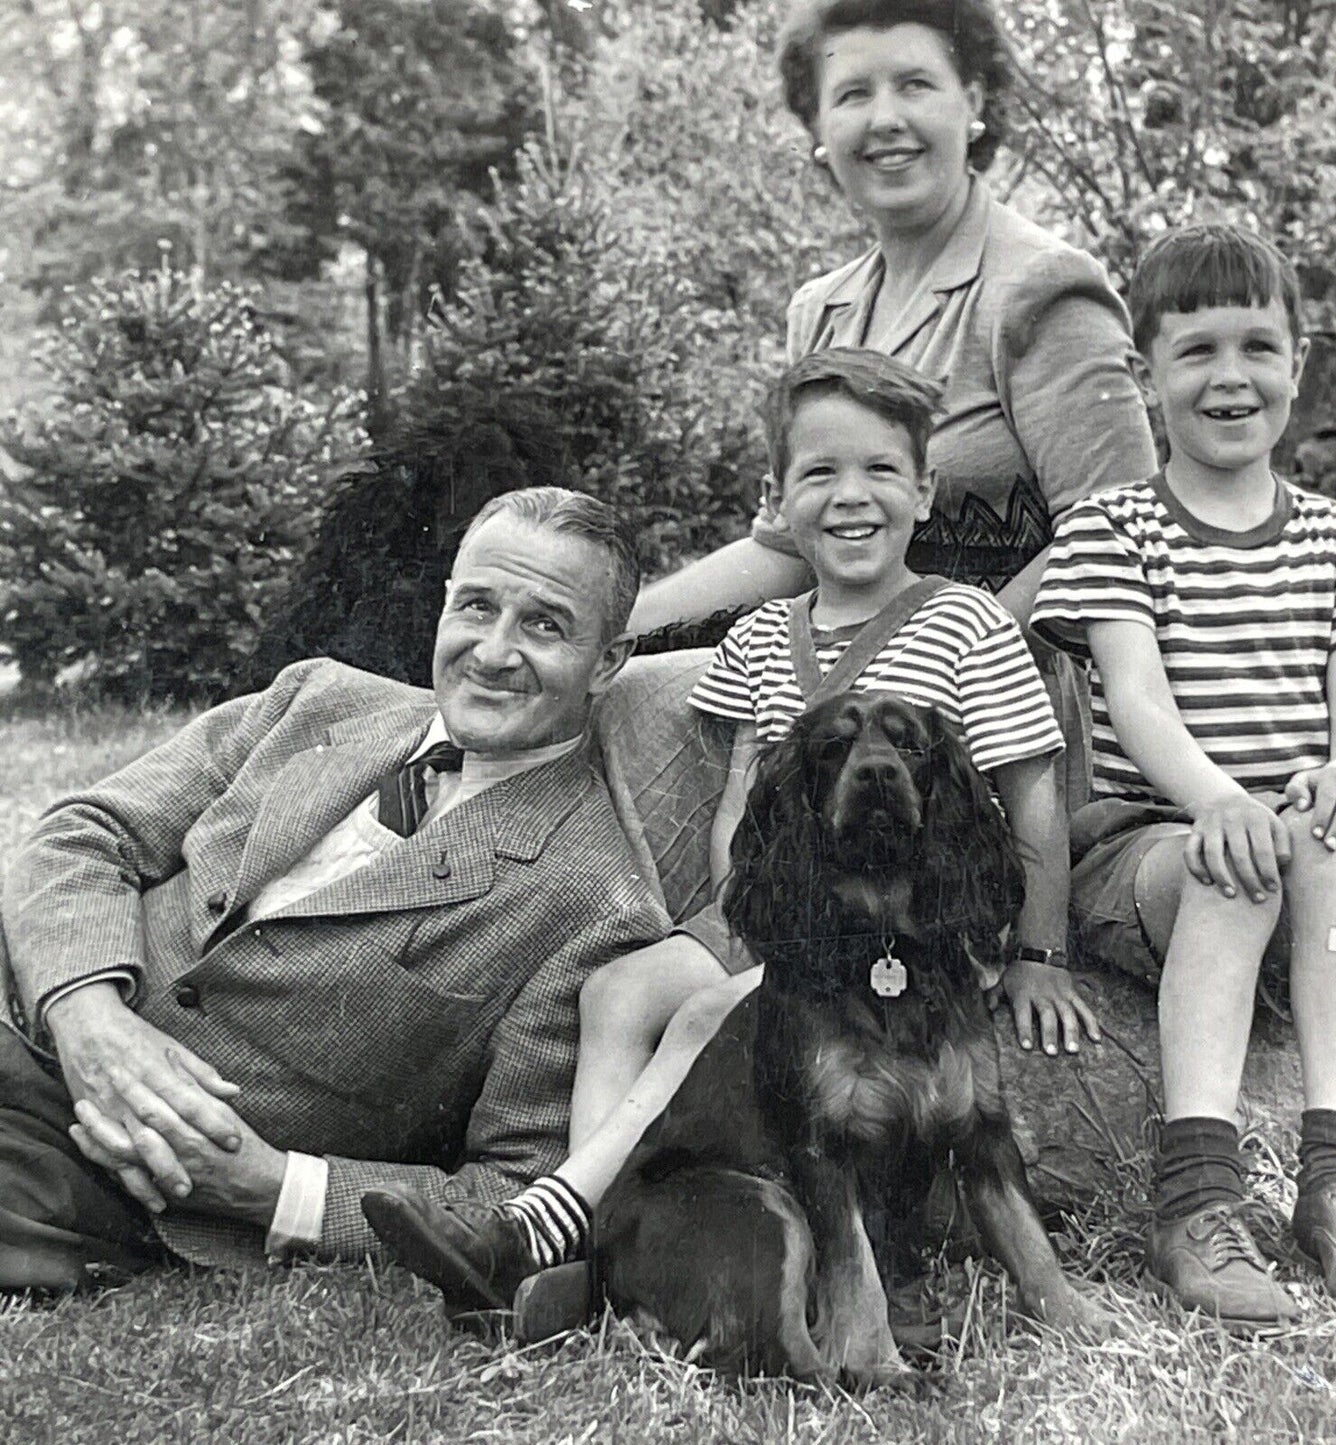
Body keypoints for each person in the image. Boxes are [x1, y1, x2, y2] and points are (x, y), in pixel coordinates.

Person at [364, 348, 1100, 1323]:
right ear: (773, 498)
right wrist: (746, 926)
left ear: (923, 490)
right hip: (774, 916)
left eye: (880, 471)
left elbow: (1030, 796)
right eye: (818, 474)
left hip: (902, 933)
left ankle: (548, 1224)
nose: (850, 497)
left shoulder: (966, 622)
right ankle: (587, 1249)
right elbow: (741, 796)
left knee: (714, 1018)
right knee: (620, 988)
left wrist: (1039, 951)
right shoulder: (759, 635)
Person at [0, 487, 671, 1288]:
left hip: (121, 1174)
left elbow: (512, 1193)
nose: (492, 651)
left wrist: (270, 1188)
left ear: (607, 661)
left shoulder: (594, 904)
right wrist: (87, 1015)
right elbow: (87, 831)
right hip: (35, 1017)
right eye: (476, 607)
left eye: (543, 624)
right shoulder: (314, 698)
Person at [1031, 224, 1336, 1326]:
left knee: (1330, 833)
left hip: (1296, 837)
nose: (1228, 376)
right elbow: (1135, 701)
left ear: (1296, 363)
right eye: (1194, 349)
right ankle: (1196, 1191)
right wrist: (1217, 800)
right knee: (1230, 861)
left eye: (1256, 346)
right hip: (1151, 842)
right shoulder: (1112, 529)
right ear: (1144, 374)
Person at [629, 0, 1157, 805]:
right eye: (851, 95)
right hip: (839, 694)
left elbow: (1112, 532)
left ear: (974, 103)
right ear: (816, 127)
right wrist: (610, 623)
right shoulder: (822, 310)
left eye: (915, 84)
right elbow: (784, 549)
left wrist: (918, 665)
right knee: (626, 695)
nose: (885, 120)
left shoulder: (1041, 289)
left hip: (998, 723)